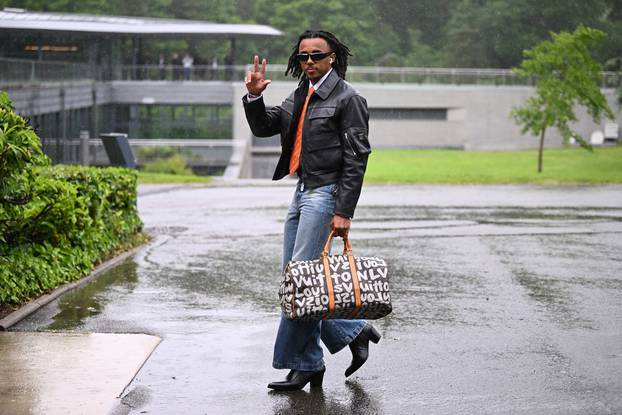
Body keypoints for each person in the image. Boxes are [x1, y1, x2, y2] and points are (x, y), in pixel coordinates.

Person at [243, 29, 381, 391]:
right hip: (302, 191)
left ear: (332, 57)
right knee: (297, 280)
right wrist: (254, 97)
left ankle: (306, 363)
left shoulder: (348, 98)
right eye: (303, 57)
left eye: (316, 56)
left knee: (301, 282)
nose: (308, 62)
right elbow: (265, 126)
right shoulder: (302, 93)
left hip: (325, 194)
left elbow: (356, 158)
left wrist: (344, 211)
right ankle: (354, 330)